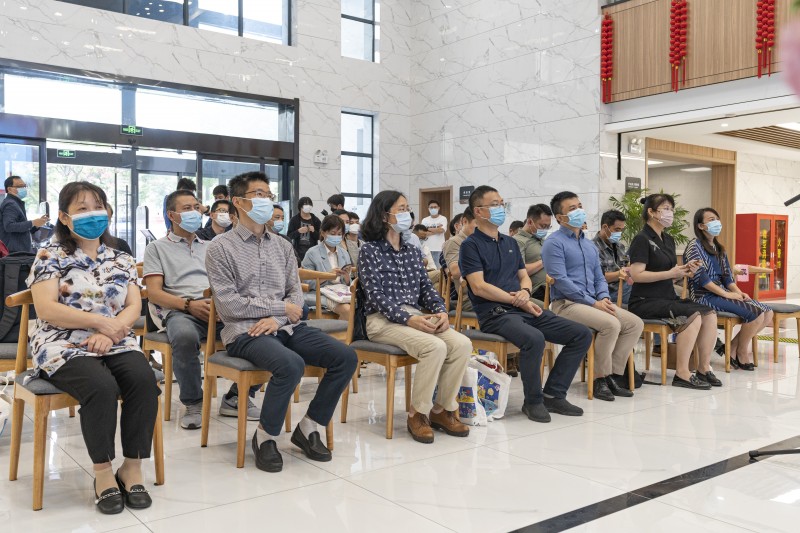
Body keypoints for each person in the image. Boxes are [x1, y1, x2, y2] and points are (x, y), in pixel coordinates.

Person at [206, 171, 357, 472]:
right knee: (291, 365)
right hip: (246, 331)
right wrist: (279, 309)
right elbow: (229, 304)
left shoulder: (283, 246)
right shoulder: (220, 247)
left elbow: (296, 296)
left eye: (269, 194)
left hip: (286, 326)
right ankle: (265, 436)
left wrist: (278, 318)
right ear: (238, 202)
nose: (266, 200)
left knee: (345, 357)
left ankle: (309, 426)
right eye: (259, 194)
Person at [28, 181, 158, 513]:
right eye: (82, 208)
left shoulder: (121, 257)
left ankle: (132, 468)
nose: (92, 214)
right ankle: (103, 473)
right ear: (64, 217)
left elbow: (133, 305)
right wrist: (101, 323)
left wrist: (111, 332)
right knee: (101, 387)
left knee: (143, 380)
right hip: (61, 342)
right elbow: (46, 308)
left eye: (97, 206)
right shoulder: (50, 254)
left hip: (115, 338)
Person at [460, 186, 592, 422]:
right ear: (478, 211)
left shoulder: (509, 242)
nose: (501, 208)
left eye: (502, 203)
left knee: (581, 334)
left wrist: (525, 292)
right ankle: (533, 401)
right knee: (534, 338)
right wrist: (516, 299)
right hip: (495, 313)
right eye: (494, 204)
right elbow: (479, 287)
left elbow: (524, 276)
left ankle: (553, 394)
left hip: (522, 307)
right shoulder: (471, 245)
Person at [359, 190, 472, 443]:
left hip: (414, 316)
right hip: (381, 320)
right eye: (400, 209)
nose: (407, 214)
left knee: (462, 344)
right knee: (434, 347)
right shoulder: (370, 251)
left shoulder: (411, 251)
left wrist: (441, 311)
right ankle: (417, 414)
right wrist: (408, 318)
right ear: (384, 215)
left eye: (407, 208)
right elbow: (375, 296)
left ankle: (441, 410)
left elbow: (426, 289)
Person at [144, 190, 258, 429]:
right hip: (181, 310)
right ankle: (194, 402)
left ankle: (236, 397)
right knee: (184, 336)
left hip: (219, 308)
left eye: (197, 207)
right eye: (187, 208)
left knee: (264, 331)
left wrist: (225, 303)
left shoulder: (213, 246)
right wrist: (189, 305)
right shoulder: (157, 248)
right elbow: (153, 292)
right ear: (171, 215)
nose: (194, 213)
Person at [542, 192, 644, 401]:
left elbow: (599, 276)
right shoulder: (553, 243)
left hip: (594, 302)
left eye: (579, 206)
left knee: (635, 324)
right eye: (572, 208)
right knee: (611, 324)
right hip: (567, 304)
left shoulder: (589, 245)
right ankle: (599, 378)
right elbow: (561, 280)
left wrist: (603, 297)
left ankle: (614, 375)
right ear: (560, 217)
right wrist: (593, 303)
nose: (579, 211)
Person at [628, 194, 719, 389]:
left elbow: (669, 273)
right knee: (692, 316)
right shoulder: (642, 239)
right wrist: (671, 273)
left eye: (671, 209)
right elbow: (637, 275)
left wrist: (684, 270)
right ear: (651, 212)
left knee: (709, 314)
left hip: (666, 297)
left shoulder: (667, 239)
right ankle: (682, 373)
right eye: (666, 209)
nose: (670, 213)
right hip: (645, 301)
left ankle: (703, 368)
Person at [685, 208, 772, 370]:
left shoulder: (719, 249)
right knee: (755, 313)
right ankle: (741, 352)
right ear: (701, 226)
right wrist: (727, 294)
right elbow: (702, 279)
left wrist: (739, 293)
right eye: (711, 219)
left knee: (768, 312)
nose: (716, 222)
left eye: (717, 219)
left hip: (721, 294)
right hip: (703, 296)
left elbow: (727, 278)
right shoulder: (694, 246)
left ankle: (731, 348)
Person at [301, 215, 352, 318]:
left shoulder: (344, 253)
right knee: (347, 310)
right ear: (323, 233)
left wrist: (346, 277)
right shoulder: (312, 253)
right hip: (319, 294)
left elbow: (348, 283)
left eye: (339, 234)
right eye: (332, 233)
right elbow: (307, 283)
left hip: (340, 293)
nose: (336, 237)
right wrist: (328, 275)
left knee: (362, 305)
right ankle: (345, 329)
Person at [513, 204, 552, 302]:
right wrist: (544, 260)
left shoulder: (542, 239)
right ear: (530, 222)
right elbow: (519, 271)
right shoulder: (517, 241)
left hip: (553, 286)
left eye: (548, 227)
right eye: (543, 226)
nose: (545, 230)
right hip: (538, 291)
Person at [593, 210, 632, 306]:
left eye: (621, 230)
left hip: (624, 286)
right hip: (608, 292)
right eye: (617, 229)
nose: (619, 233)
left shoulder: (620, 246)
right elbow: (596, 278)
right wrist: (620, 273)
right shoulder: (592, 248)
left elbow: (627, 265)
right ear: (605, 227)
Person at [0, 175, 48, 253]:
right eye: (20, 186)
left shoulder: (16, 203)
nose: (23, 188)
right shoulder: (10, 204)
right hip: (14, 253)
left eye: (24, 186)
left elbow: (21, 229)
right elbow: (9, 226)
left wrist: (36, 225)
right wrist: (32, 222)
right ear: (9, 189)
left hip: (19, 250)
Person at [442, 207, 478, 310]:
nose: (481, 227)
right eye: (477, 223)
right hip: (472, 298)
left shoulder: (484, 241)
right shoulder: (454, 242)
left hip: (492, 293)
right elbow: (455, 272)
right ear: (465, 222)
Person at [287, 196, 321, 261]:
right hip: (298, 252)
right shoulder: (294, 220)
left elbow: (321, 237)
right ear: (300, 206)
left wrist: (314, 231)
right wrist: (298, 231)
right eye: (305, 204)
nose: (308, 206)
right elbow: (289, 236)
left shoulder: (315, 220)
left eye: (310, 204)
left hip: (312, 252)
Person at [421, 200, 447, 266]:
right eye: (431, 207)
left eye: (435, 207)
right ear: (428, 209)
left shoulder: (443, 219)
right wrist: (436, 230)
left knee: (438, 270)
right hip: (426, 249)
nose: (433, 209)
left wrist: (427, 228)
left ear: (438, 208)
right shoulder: (424, 220)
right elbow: (422, 233)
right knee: (428, 269)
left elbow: (441, 230)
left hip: (439, 249)